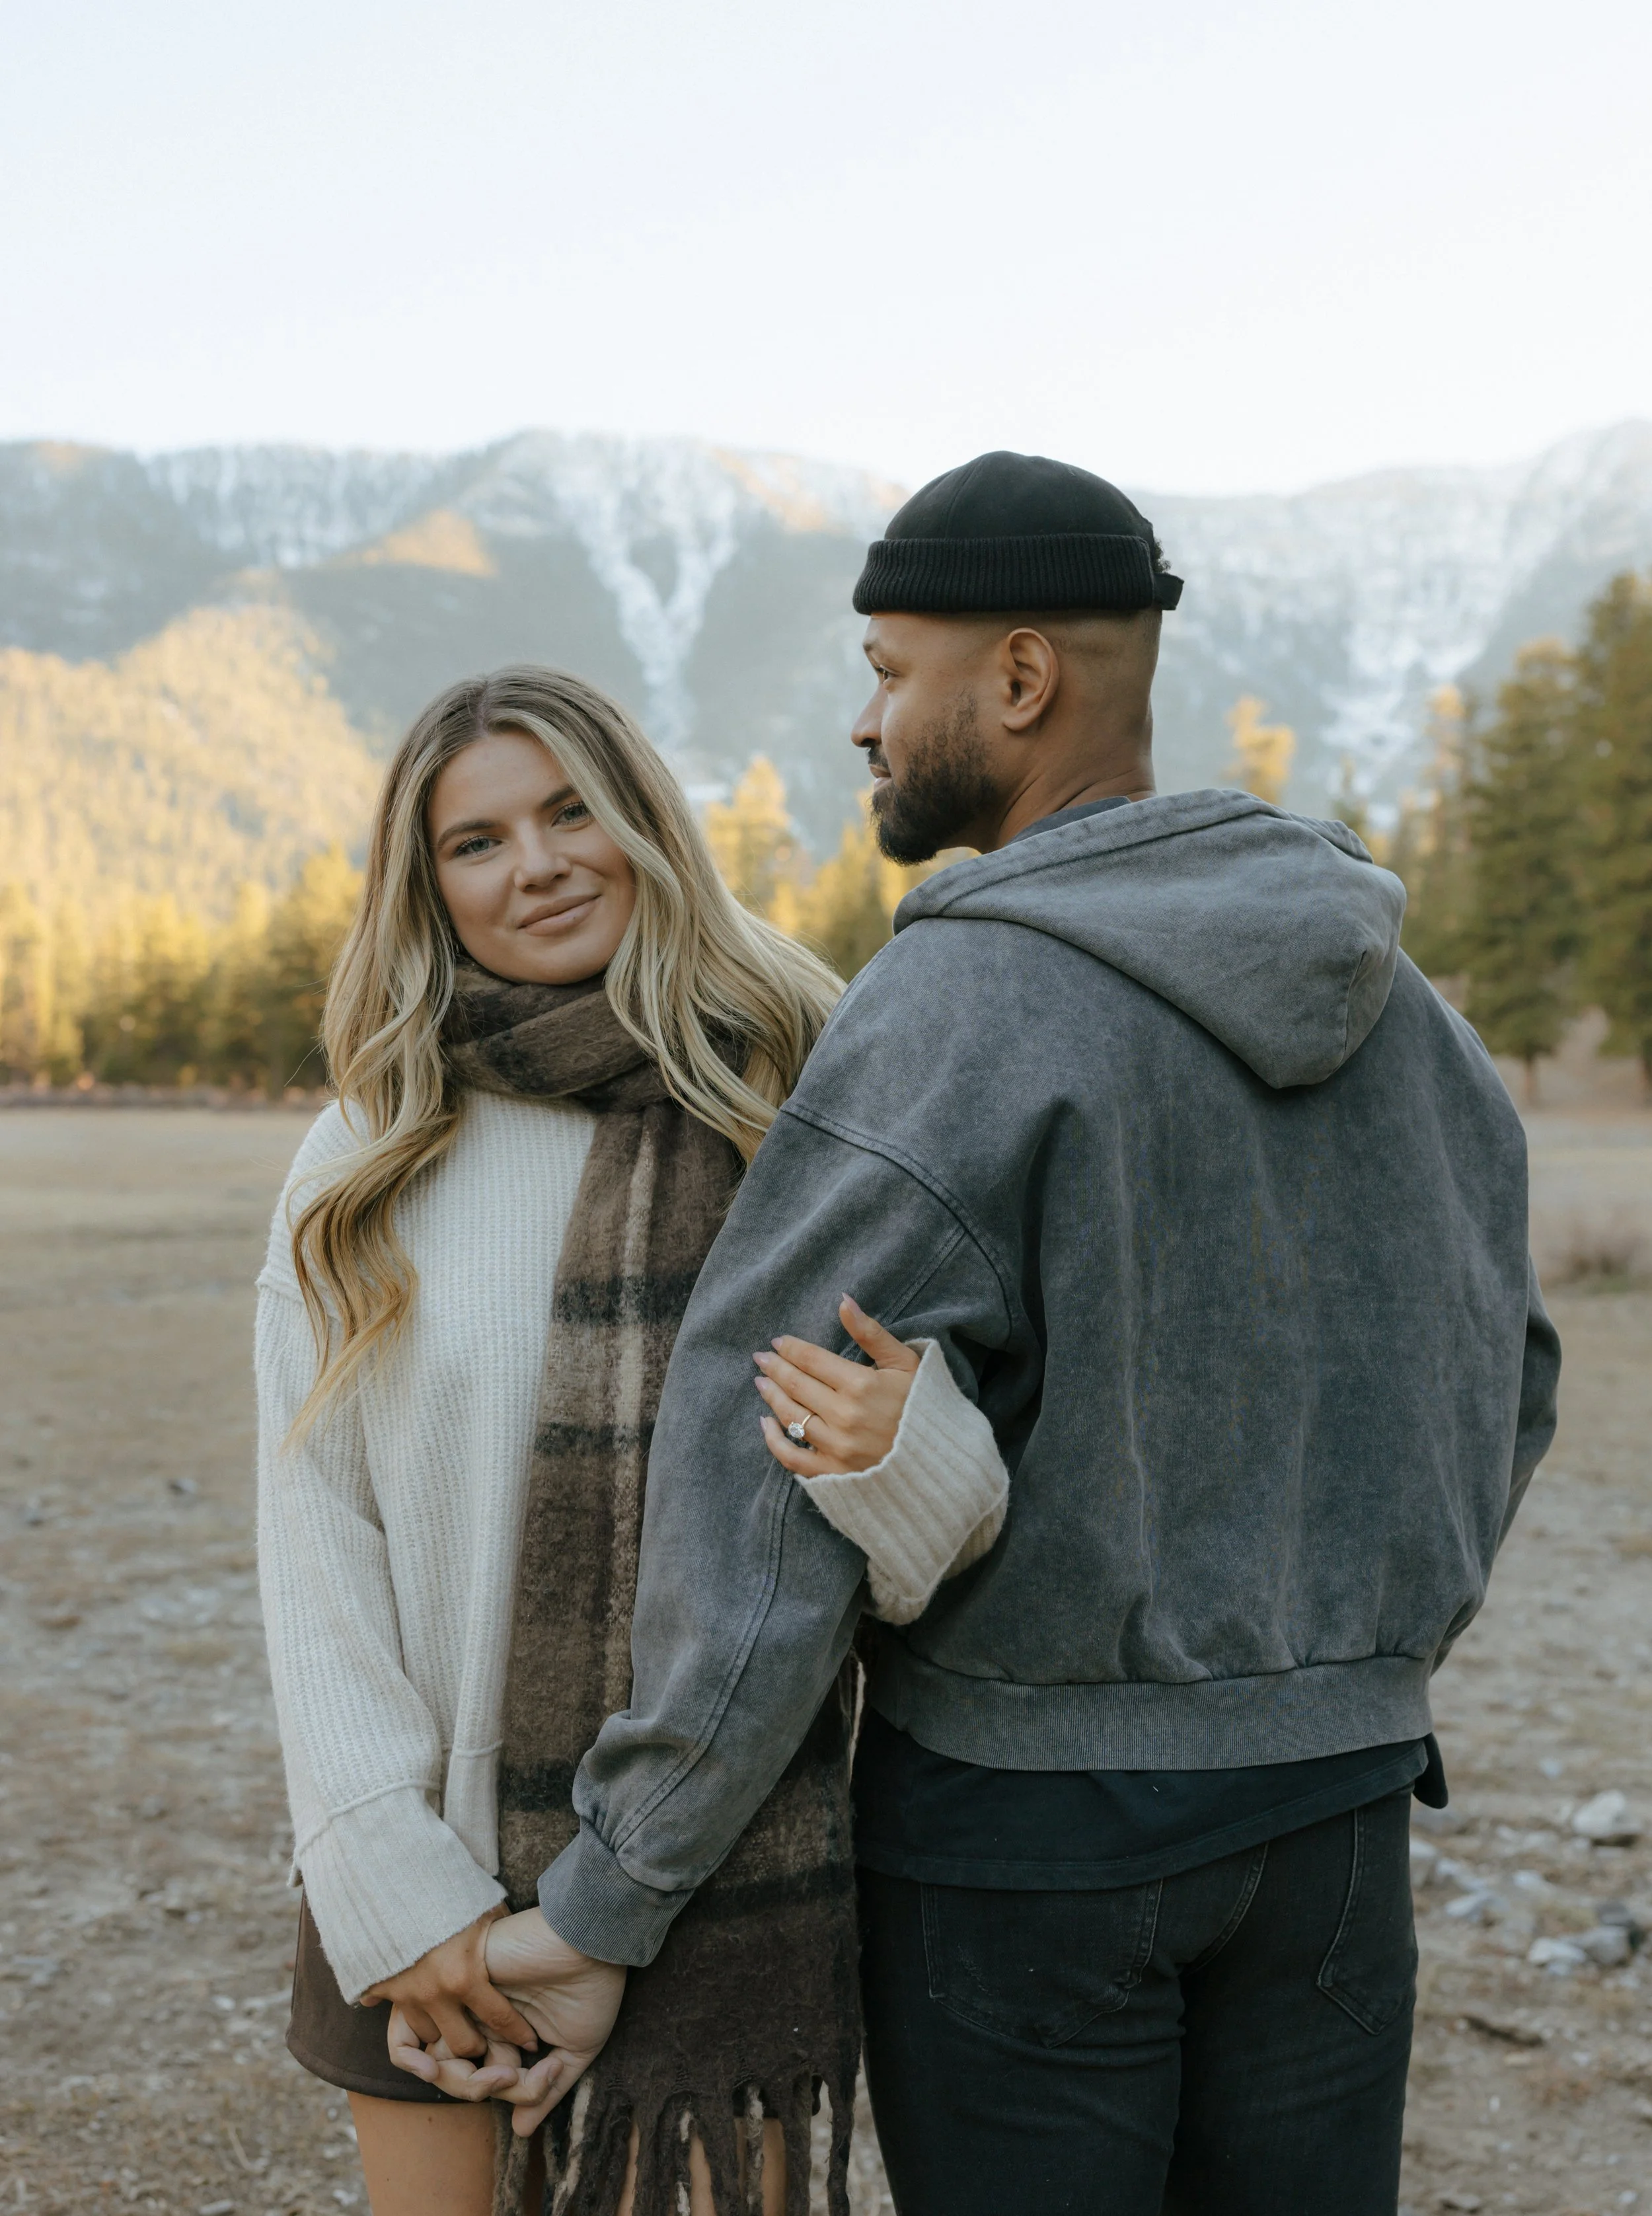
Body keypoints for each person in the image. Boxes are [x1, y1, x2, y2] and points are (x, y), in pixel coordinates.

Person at [464, 455, 1562, 2216]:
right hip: (1342, 1820)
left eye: (894, 671)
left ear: (1022, 681)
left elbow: (761, 1481)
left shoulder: (959, 999)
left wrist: (613, 1896)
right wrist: (1337, 1654)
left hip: (1032, 1844)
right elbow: (1506, 1373)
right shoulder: (1406, 1007)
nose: (865, 720)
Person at [254, 666, 1007, 2216]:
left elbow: (941, 1556)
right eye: (475, 841)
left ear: (646, 823)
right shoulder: (368, 1150)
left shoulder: (801, 1104)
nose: (534, 864)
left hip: (716, 1876)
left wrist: (906, 1451)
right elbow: (314, 1535)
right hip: (424, 1873)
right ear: (427, 883)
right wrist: (390, 1886)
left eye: (569, 810)